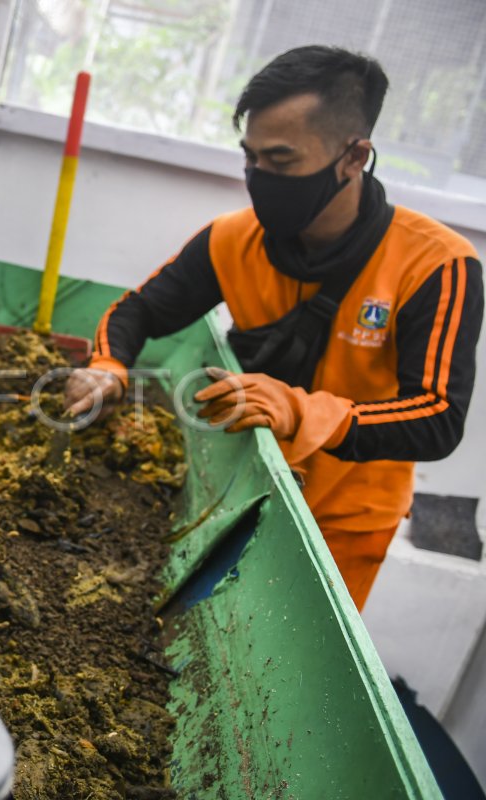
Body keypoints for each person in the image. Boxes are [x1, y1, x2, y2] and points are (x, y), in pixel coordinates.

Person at [63, 45, 483, 611]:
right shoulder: (233, 239)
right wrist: (106, 367)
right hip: (232, 488)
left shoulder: (437, 265)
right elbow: (138, 311)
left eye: (281, 163)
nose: (259, 179)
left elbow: (437, 416)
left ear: (354, 156)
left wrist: (304, 412)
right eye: (251, 159)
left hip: (341, 524)